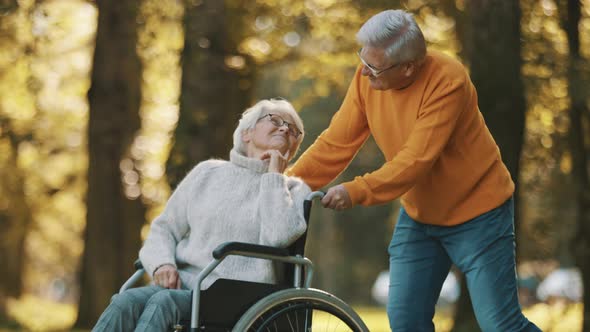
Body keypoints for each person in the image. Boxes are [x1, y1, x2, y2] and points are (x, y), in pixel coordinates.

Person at [288, 9, 541, 332]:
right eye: (362, 60)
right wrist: (288, 183)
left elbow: (415, 161)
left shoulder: (448, 80)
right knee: (406, 321)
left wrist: (355, 190)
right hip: (420, 218)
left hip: (479, 214)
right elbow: (337, 141)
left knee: (500, 325)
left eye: (373, 67)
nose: (364, 73)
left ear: (408, 67)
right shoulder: (368, 75)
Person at [93, 99, 310, 331]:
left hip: (239, 293)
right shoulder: (207, 173)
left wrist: (273, 177)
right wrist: (162, 264)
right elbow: (164, 227)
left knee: (163, 302)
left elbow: (278, 237)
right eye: (275, 120)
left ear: (294, 148)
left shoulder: (294, 190)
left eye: (293, 130)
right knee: (124, 302)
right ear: (247, 133)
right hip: (183, 284)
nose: (285, 128)